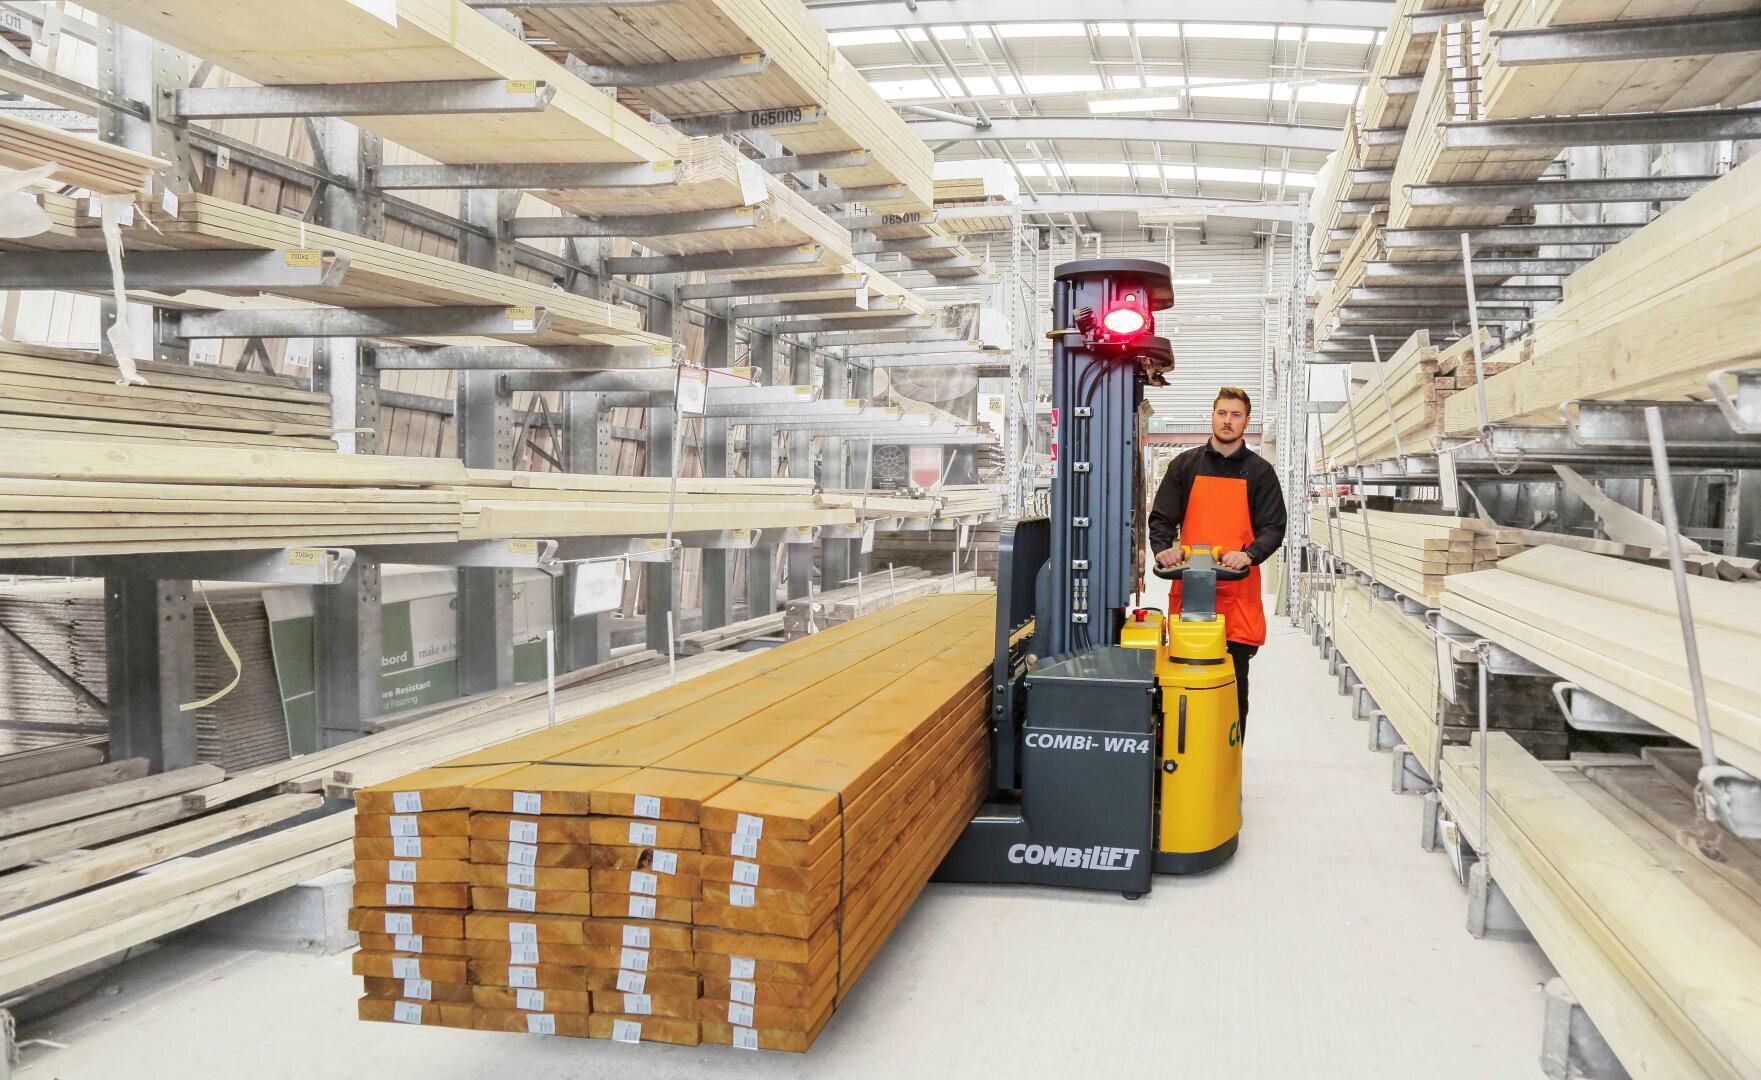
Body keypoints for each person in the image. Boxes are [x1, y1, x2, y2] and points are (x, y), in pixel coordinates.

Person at [1147, 386, 1287, 737]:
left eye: (1236, 415)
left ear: (1246, 421)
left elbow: (1273, 527)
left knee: (1232, 686)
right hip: (1191, 595)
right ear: (1212, 415)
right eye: (1222, 413)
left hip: (1237, 596)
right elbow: (1161, 517)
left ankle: (1227, 764)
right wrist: (1163, 548)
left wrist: (1250, 554)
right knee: (1182, 680)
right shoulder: (1185, 466)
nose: (1228, 421)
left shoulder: (1260, 473)